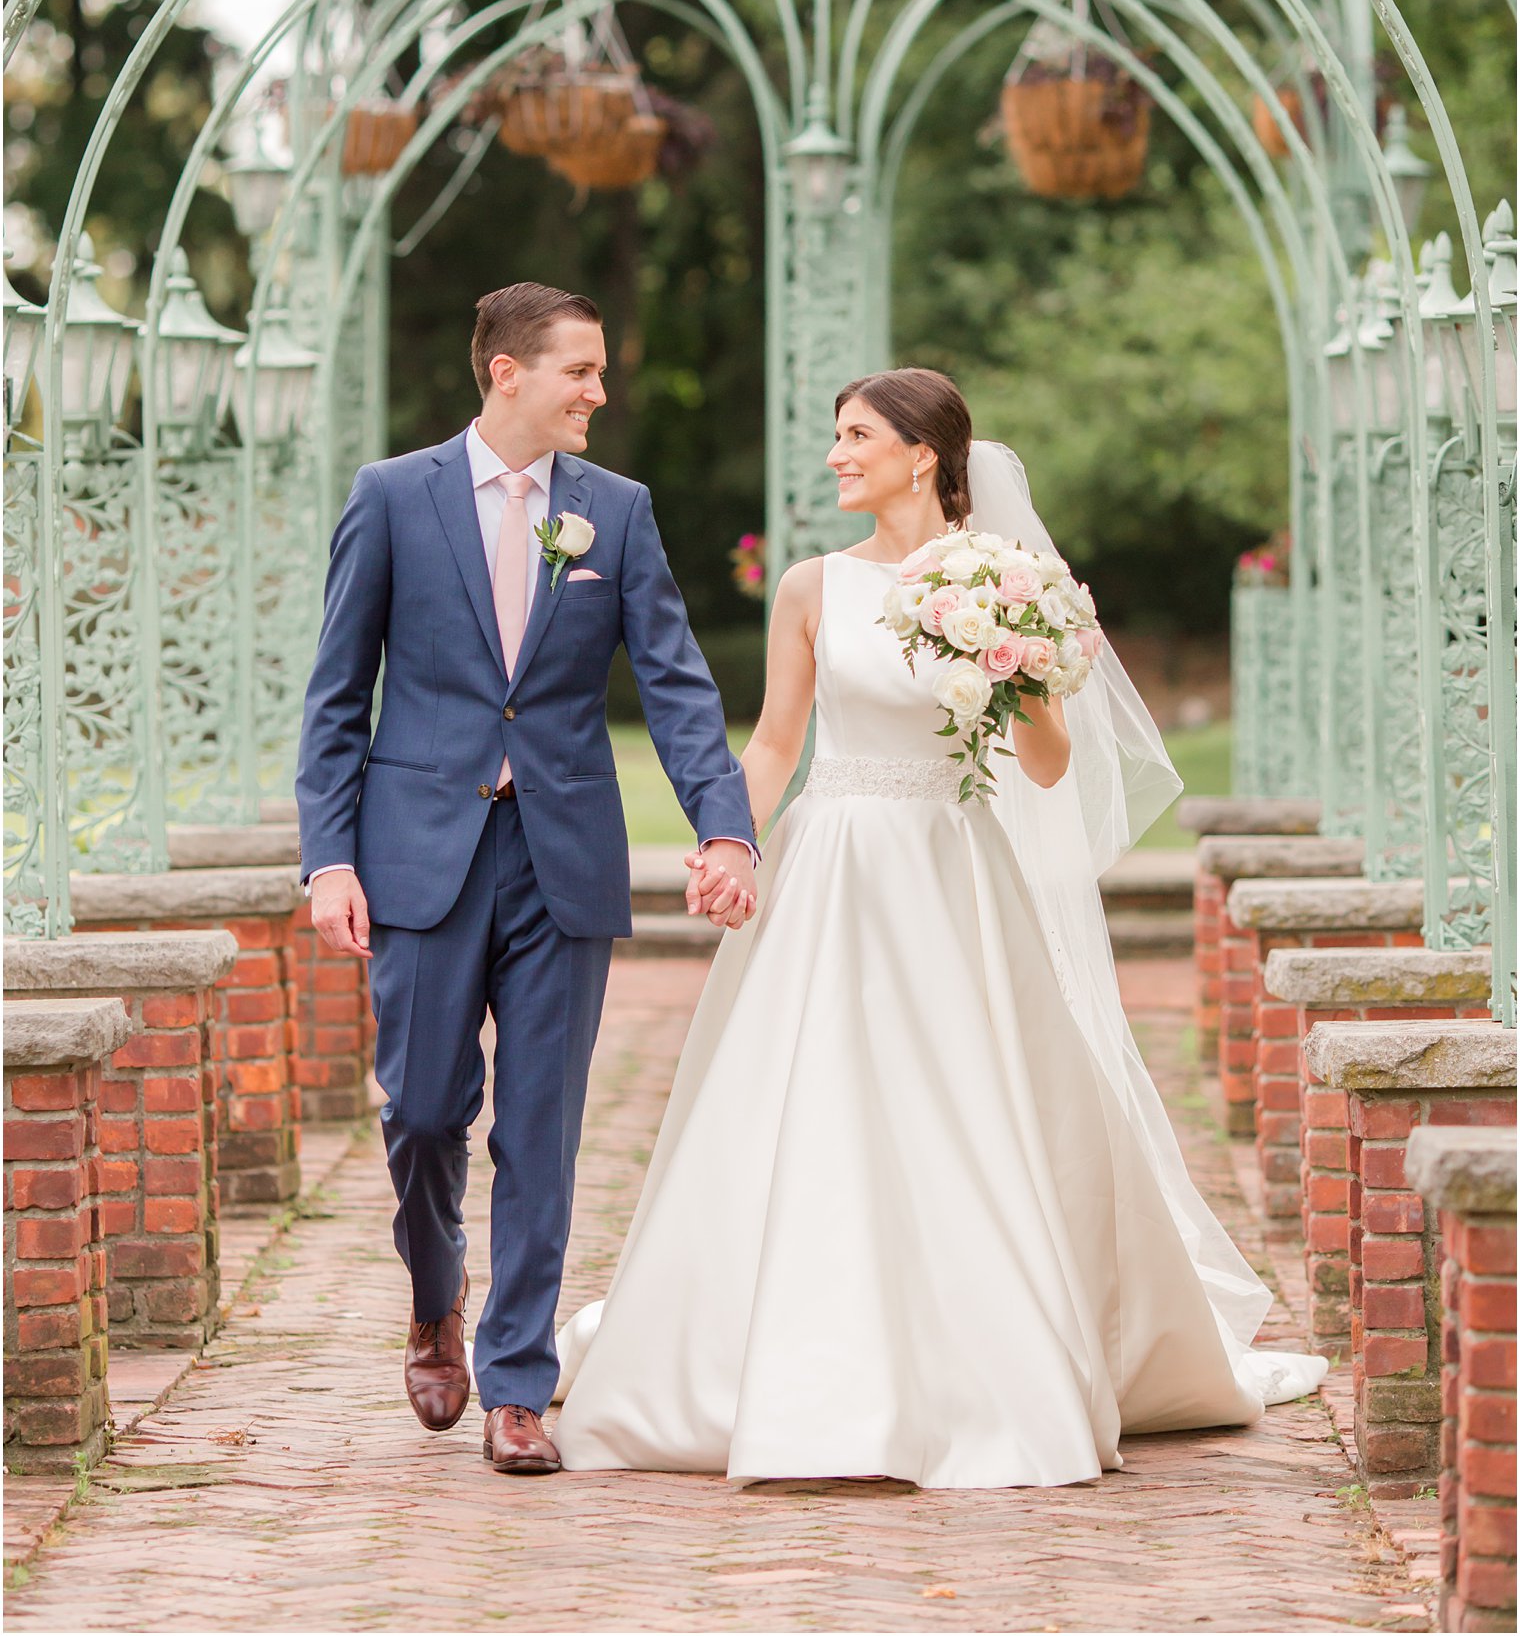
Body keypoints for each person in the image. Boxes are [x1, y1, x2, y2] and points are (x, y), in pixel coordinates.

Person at [552, 366, 1326, 1489]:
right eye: (835, 436)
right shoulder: (813, 587)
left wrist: (1015, 662)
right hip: (834, 863)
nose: (834, 456)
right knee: (809, 1099)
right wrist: (731, 839)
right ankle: (786, 1360)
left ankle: (985, 1362)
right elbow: (774, 742)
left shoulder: (1005, 581)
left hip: (952, 867)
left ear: (921, 454)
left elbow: (1049, 767)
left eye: (855, 435)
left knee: (965, 1099)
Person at [294, 282, 758, 1476]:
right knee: (422, 1113)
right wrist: (331, 859)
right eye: (580, 371)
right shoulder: (392, 499)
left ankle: (516, 1386)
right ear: (506, 371)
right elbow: (337, 698)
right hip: (418, 859)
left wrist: (725, 829)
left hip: (563, 858)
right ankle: (432, 1298)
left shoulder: (619, 511)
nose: (599, 392)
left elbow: (676, 681)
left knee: (543, 1128)